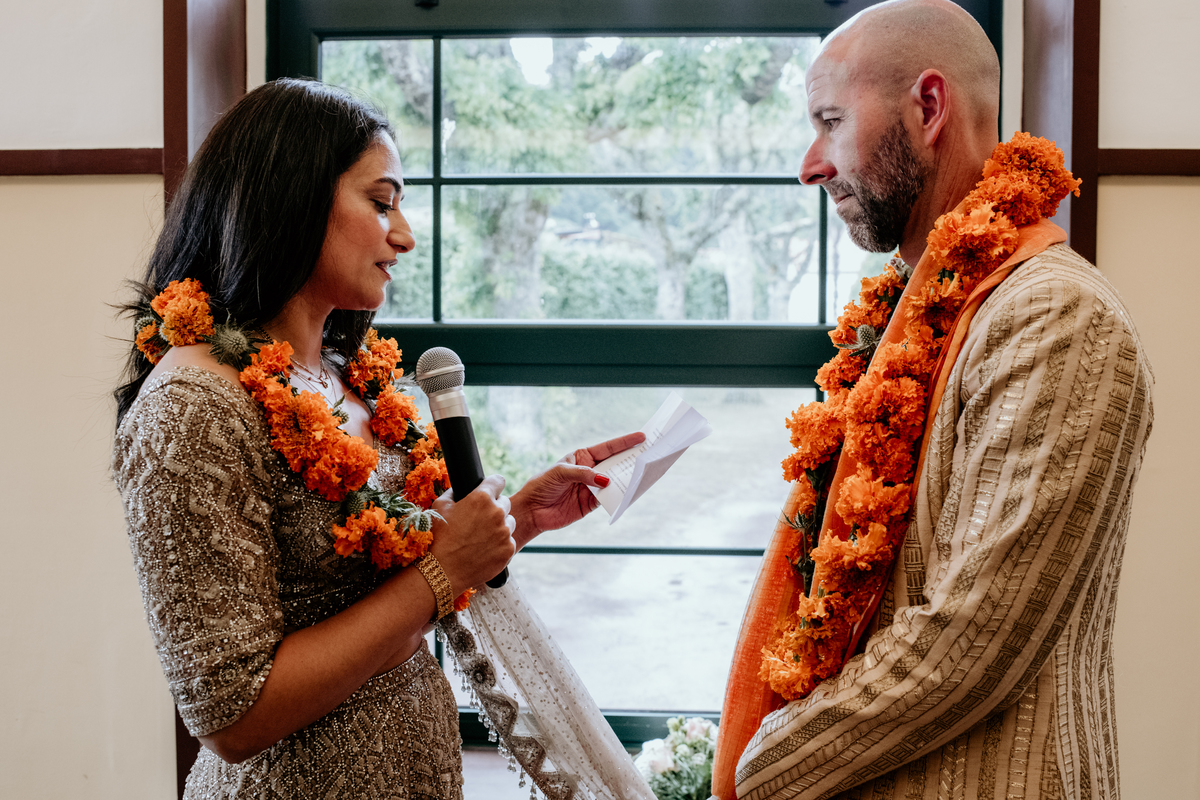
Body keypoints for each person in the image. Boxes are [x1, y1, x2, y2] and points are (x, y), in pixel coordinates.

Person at [111, 78, 643, 799]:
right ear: (290, 198)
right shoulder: (192, 406)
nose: (405, 235)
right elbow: (228, 714)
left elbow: (391, 571)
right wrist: (443, 572)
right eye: (382, 201)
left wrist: (513, 521)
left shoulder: (342, 372)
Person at [711, 2, 1153, 799]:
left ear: (928, 106)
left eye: (830, 120)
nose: (810, 164)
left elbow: (974, 636)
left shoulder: (1054, 316)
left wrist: (762, 766)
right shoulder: (905, 316)